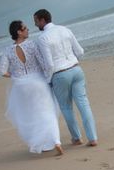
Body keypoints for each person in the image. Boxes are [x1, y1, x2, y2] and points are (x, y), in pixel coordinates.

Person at [33, 9, 98, 146]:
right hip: (76, 69)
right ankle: (92, 138)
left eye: (36, 21)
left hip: (59, 73)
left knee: (66, 107)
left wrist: (48, 79)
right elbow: (80, 51)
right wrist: (73, 60)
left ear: (42, 20)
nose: (35, 24)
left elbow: (49, 64)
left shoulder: (42, 38)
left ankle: (76, 138)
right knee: (84, 104)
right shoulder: (65, 29)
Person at [0, 20, 64, 155]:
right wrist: (49, 77)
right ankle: (56, 141)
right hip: (38, 82)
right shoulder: (32, 45)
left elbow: (2, 71)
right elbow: (43, 63)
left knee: (33, 115)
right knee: (48, 111)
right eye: (25, 28)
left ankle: (44, 144)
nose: (28, 30)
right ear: (19, 32)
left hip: (22, 87)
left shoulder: (7, 50)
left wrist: (16, 76)